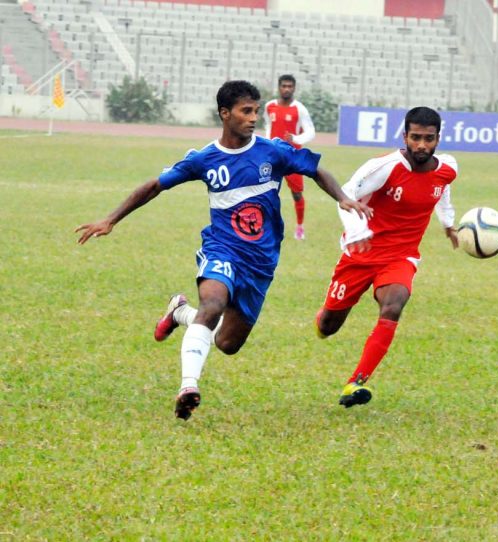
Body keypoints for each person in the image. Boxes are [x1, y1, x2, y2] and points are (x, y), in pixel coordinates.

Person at [75, 80, 368, 420]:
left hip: (261, 262)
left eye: (256, 111)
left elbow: (317, 170)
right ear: (225, 114)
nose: (253, 117)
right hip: (222, 248)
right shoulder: (204, 159)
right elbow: (155, 185)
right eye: (246, 111)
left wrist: (343, 197)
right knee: (212, 304)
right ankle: (188, 386)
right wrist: (111, 219)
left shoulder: (273, 152)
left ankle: (178, 313)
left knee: (228, 344)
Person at [314, 106, 458, 408]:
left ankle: (356, 382)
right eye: (415, 137)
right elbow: (347, 195)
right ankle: (324, 316)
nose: (421, 145)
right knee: (328, 326)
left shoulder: (447, 168)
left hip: (401, 256)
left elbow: (442, 191)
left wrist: (448, 224)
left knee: (394, 304)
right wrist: (356, 232)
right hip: (361, 253)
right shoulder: (384, 167)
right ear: (405, 136)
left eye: (428, 139)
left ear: (438, 139)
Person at [264, 74, 316, 240]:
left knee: (296, 194)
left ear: (294, 88)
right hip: (272, 156)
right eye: (284, 86)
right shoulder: (269, 106)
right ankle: (266, 227)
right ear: (279, 87)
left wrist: (295, 138)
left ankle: (299, 227)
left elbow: (310, 131)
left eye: (290, 86)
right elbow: (268, 126)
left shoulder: (299, 108)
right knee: (265, 191)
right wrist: (267, 144)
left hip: (292, 157)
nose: (286, 89)